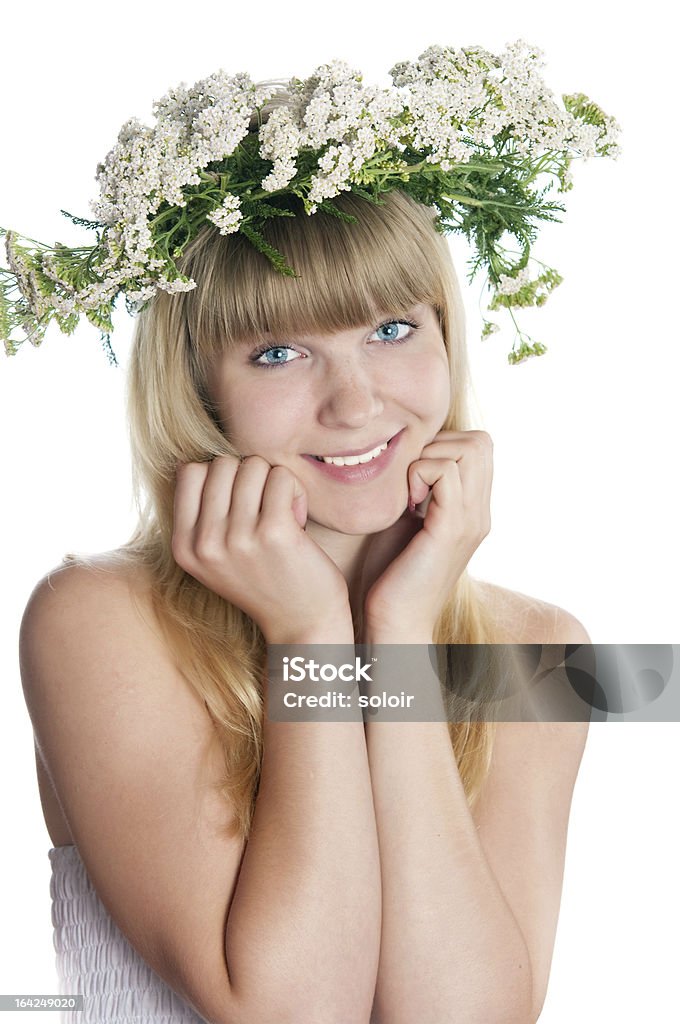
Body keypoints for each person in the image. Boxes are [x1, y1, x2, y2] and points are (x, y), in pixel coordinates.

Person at [12, 48, 616, 1024]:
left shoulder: (538, 653)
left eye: (389, 330)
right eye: (279, 351)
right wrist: (308, 639)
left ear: (446, 334)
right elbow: (294, 1008)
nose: (355, 402)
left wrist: (403, 633)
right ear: (200, 386)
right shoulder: (96, 620)